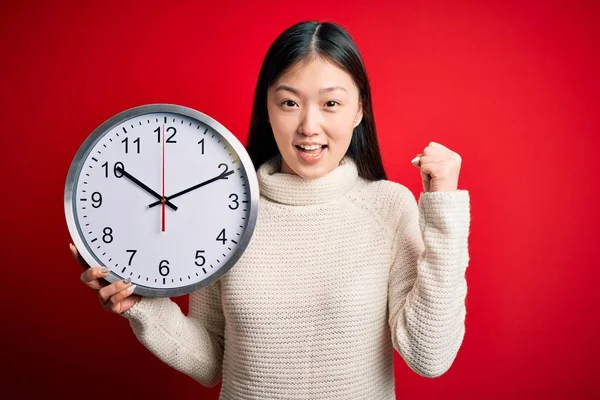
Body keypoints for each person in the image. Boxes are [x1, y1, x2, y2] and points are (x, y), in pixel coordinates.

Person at [72, 20, 471, 399]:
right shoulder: (225, 211)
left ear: (359, 110)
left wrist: (444, 209)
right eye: (289, 102)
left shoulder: (388, 207)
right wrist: (141, 305)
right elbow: (211, 359)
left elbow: (428, 357)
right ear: (267, 108)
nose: (309, 126)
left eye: (331, 102)